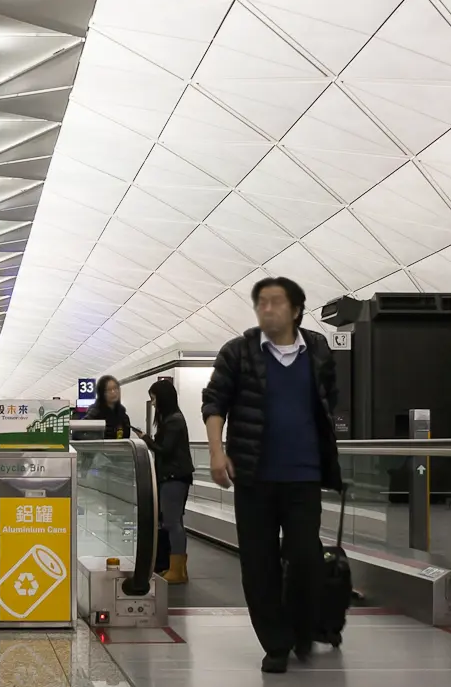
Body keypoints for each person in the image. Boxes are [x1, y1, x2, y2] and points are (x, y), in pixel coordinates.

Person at [201, 277, 341, 674]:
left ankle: (301, 627)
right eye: (261, 303)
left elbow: (328, 400)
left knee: (305, 556)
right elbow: (214, 402)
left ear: (296, 310)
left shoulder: (317, 350)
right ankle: (275, 643)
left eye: (276, 303)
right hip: (254, 476)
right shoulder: (239, 352)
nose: (267, 309)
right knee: (258, 563)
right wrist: (217, 452)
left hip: (303, 475)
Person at [145, 378, 193, 584]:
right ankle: (178, 569)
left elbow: (165, 450)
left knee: (172, 523)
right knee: (174, 522)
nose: (153, 403)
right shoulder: (172, 419)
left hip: (173, 477)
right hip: (173, 476)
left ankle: (177, 570)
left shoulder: (173, 421)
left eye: (154, 399)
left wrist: (147, 440)